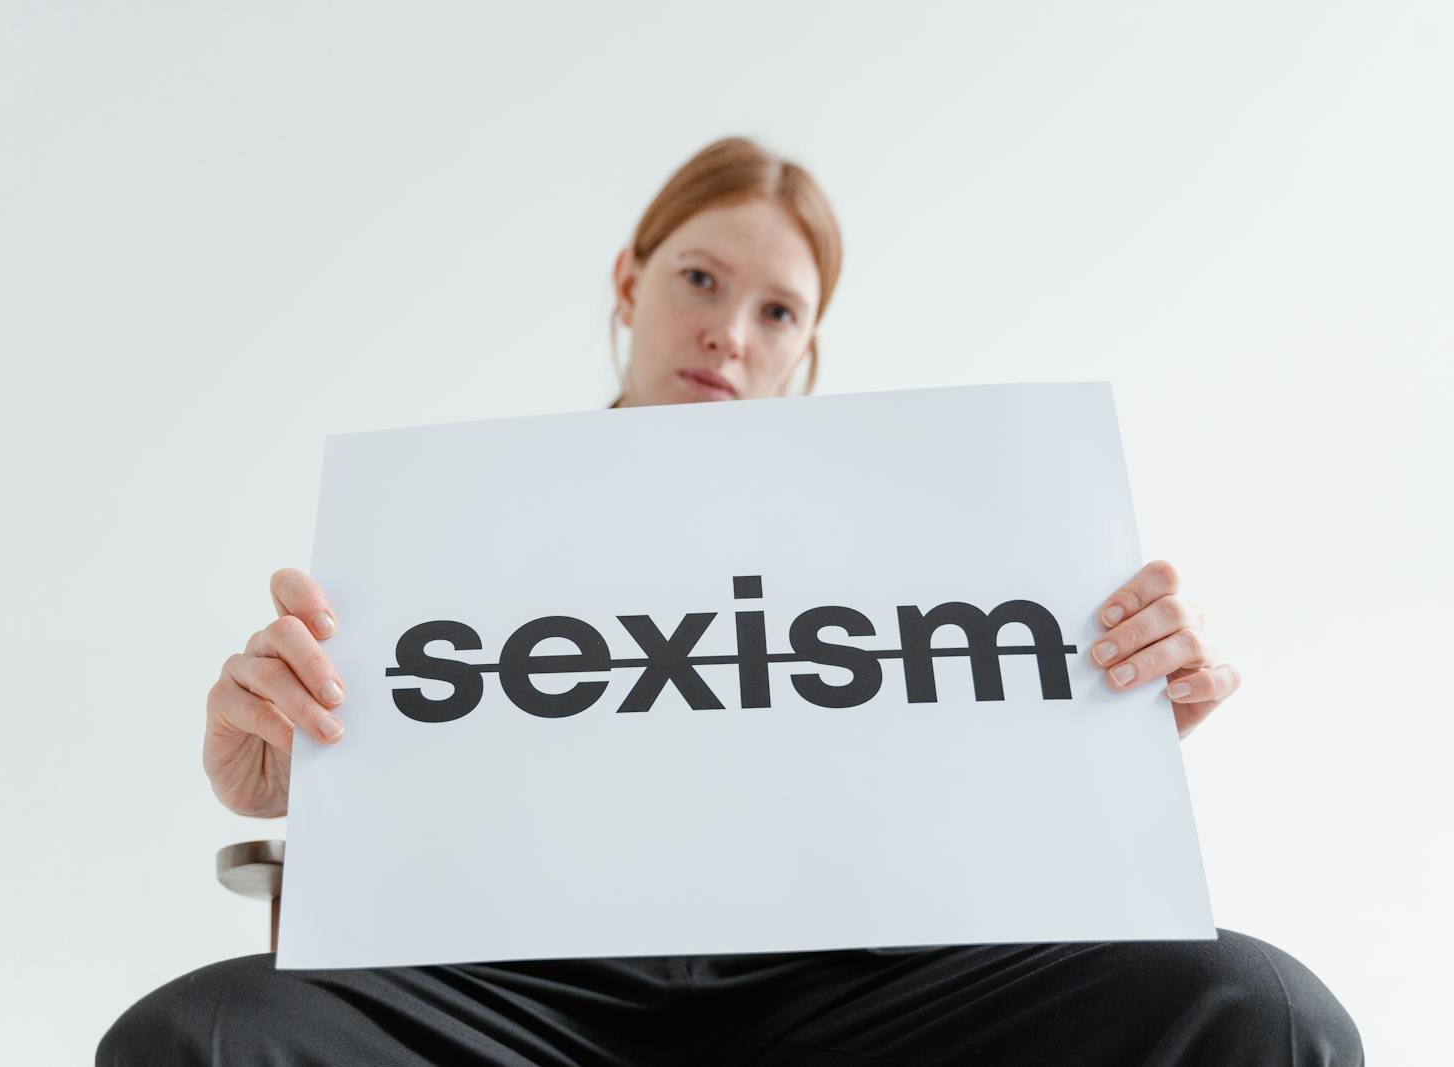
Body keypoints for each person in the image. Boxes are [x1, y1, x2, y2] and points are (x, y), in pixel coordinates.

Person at [98, 136, 1363, 1065]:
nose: (730, 335)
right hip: (523, 994)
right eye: (700, 281)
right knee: (191, 1036)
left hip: (849, 994)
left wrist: (1108, 728)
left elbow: (967, 824)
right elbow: (400, 823)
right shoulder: (440, 532)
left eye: (776, 310)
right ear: (628, 278)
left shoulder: (937, 533)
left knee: (1264, 1006)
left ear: (809, 347)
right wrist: (284, 779)